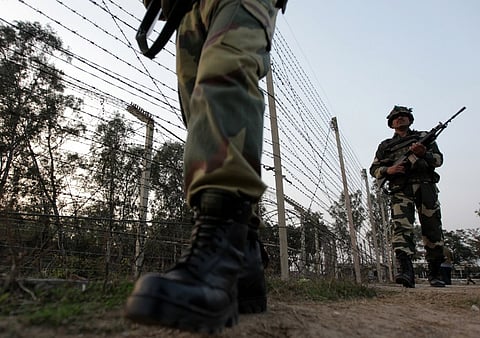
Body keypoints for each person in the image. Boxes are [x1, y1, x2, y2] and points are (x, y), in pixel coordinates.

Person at [124, 0, 284, 333]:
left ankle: (217, 259)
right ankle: (244, 263)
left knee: (225, 72)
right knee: (200, 111)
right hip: (185, 7)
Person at [370, 105, 446, 288]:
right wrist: (389, 169)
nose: (400, 119)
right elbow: (374, 169)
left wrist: (424, 154)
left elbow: (438, 160)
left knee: (433, 228)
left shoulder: (423, 138)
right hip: (401, 189)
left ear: (410, 119)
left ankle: (435, 274)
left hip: (426, 186)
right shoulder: (385, 146)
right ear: (391, 123)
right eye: (396, 117)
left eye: (403, 116)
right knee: (401, 229)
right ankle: (406, 272)